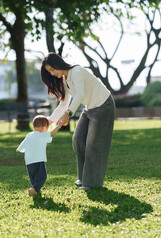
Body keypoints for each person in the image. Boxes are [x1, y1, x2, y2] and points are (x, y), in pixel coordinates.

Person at [40, 52, 116, 190]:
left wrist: (69, 113)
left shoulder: (77, 71)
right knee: (78, 140)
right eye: (49, 72)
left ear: (58, 63)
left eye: (52, 69)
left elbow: (79, 94)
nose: (52, 73)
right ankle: (83, 178)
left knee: (93, 145)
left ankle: (92, 183)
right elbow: (63, 104)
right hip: (90, 108)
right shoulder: (65, 80)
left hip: (103, 105)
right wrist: (49, 121)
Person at [16, 115, 63, 196]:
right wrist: (58, 126)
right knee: (42, 176)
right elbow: (52, 134)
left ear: (34, 127)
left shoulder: (29, 135)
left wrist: (18, 149)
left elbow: (21, 147)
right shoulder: (41, 135)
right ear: (42, 128)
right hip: (39, 161)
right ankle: (34, 189)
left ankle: (36, 190)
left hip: (29, 162)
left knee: (33, 177)